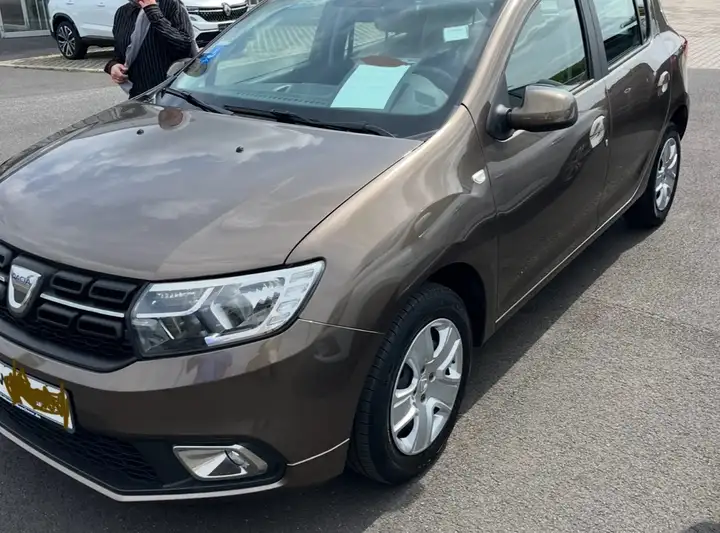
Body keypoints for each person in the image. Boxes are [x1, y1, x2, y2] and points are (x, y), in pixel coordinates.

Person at [104, 0, 197, 98]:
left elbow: (185, 47)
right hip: (139, 94)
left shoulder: (172, 5)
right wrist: (113, 66)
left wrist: (153, 12)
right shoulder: (123, 12)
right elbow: (119, 54)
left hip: (172, 94)